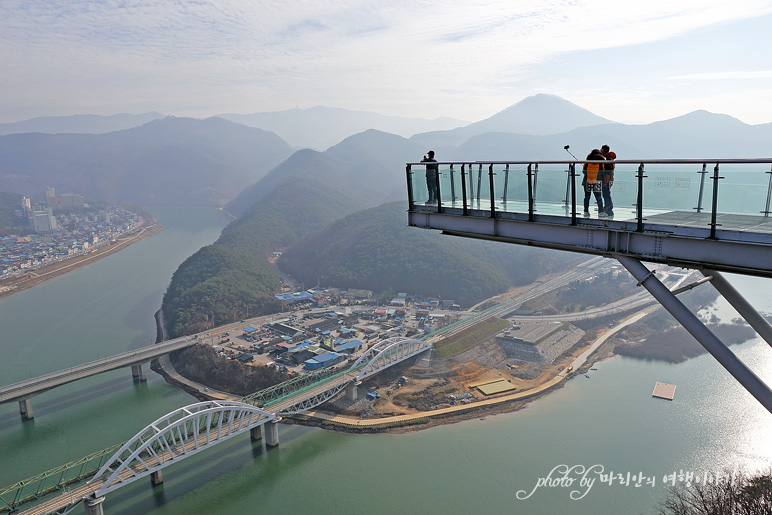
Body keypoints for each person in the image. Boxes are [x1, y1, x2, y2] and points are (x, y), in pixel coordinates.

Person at [582, 149, 605, 217]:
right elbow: (602, 171)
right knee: (598, 197)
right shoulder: (601, 160)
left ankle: (586, 211)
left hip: (587, 181)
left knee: (587, 197)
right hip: (597, 181)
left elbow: (584, 170)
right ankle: (601, 212)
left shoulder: (588, 161)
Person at [600, 144, 616, 216]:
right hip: (609, 179)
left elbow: (607, 172)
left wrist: (605, 182)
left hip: (606, 180)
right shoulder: (610, 159)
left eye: (601, 150)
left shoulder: (607, 160)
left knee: (606, 194)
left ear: (604, 151)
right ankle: (607, 208)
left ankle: (609, 209)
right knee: (606, 194)